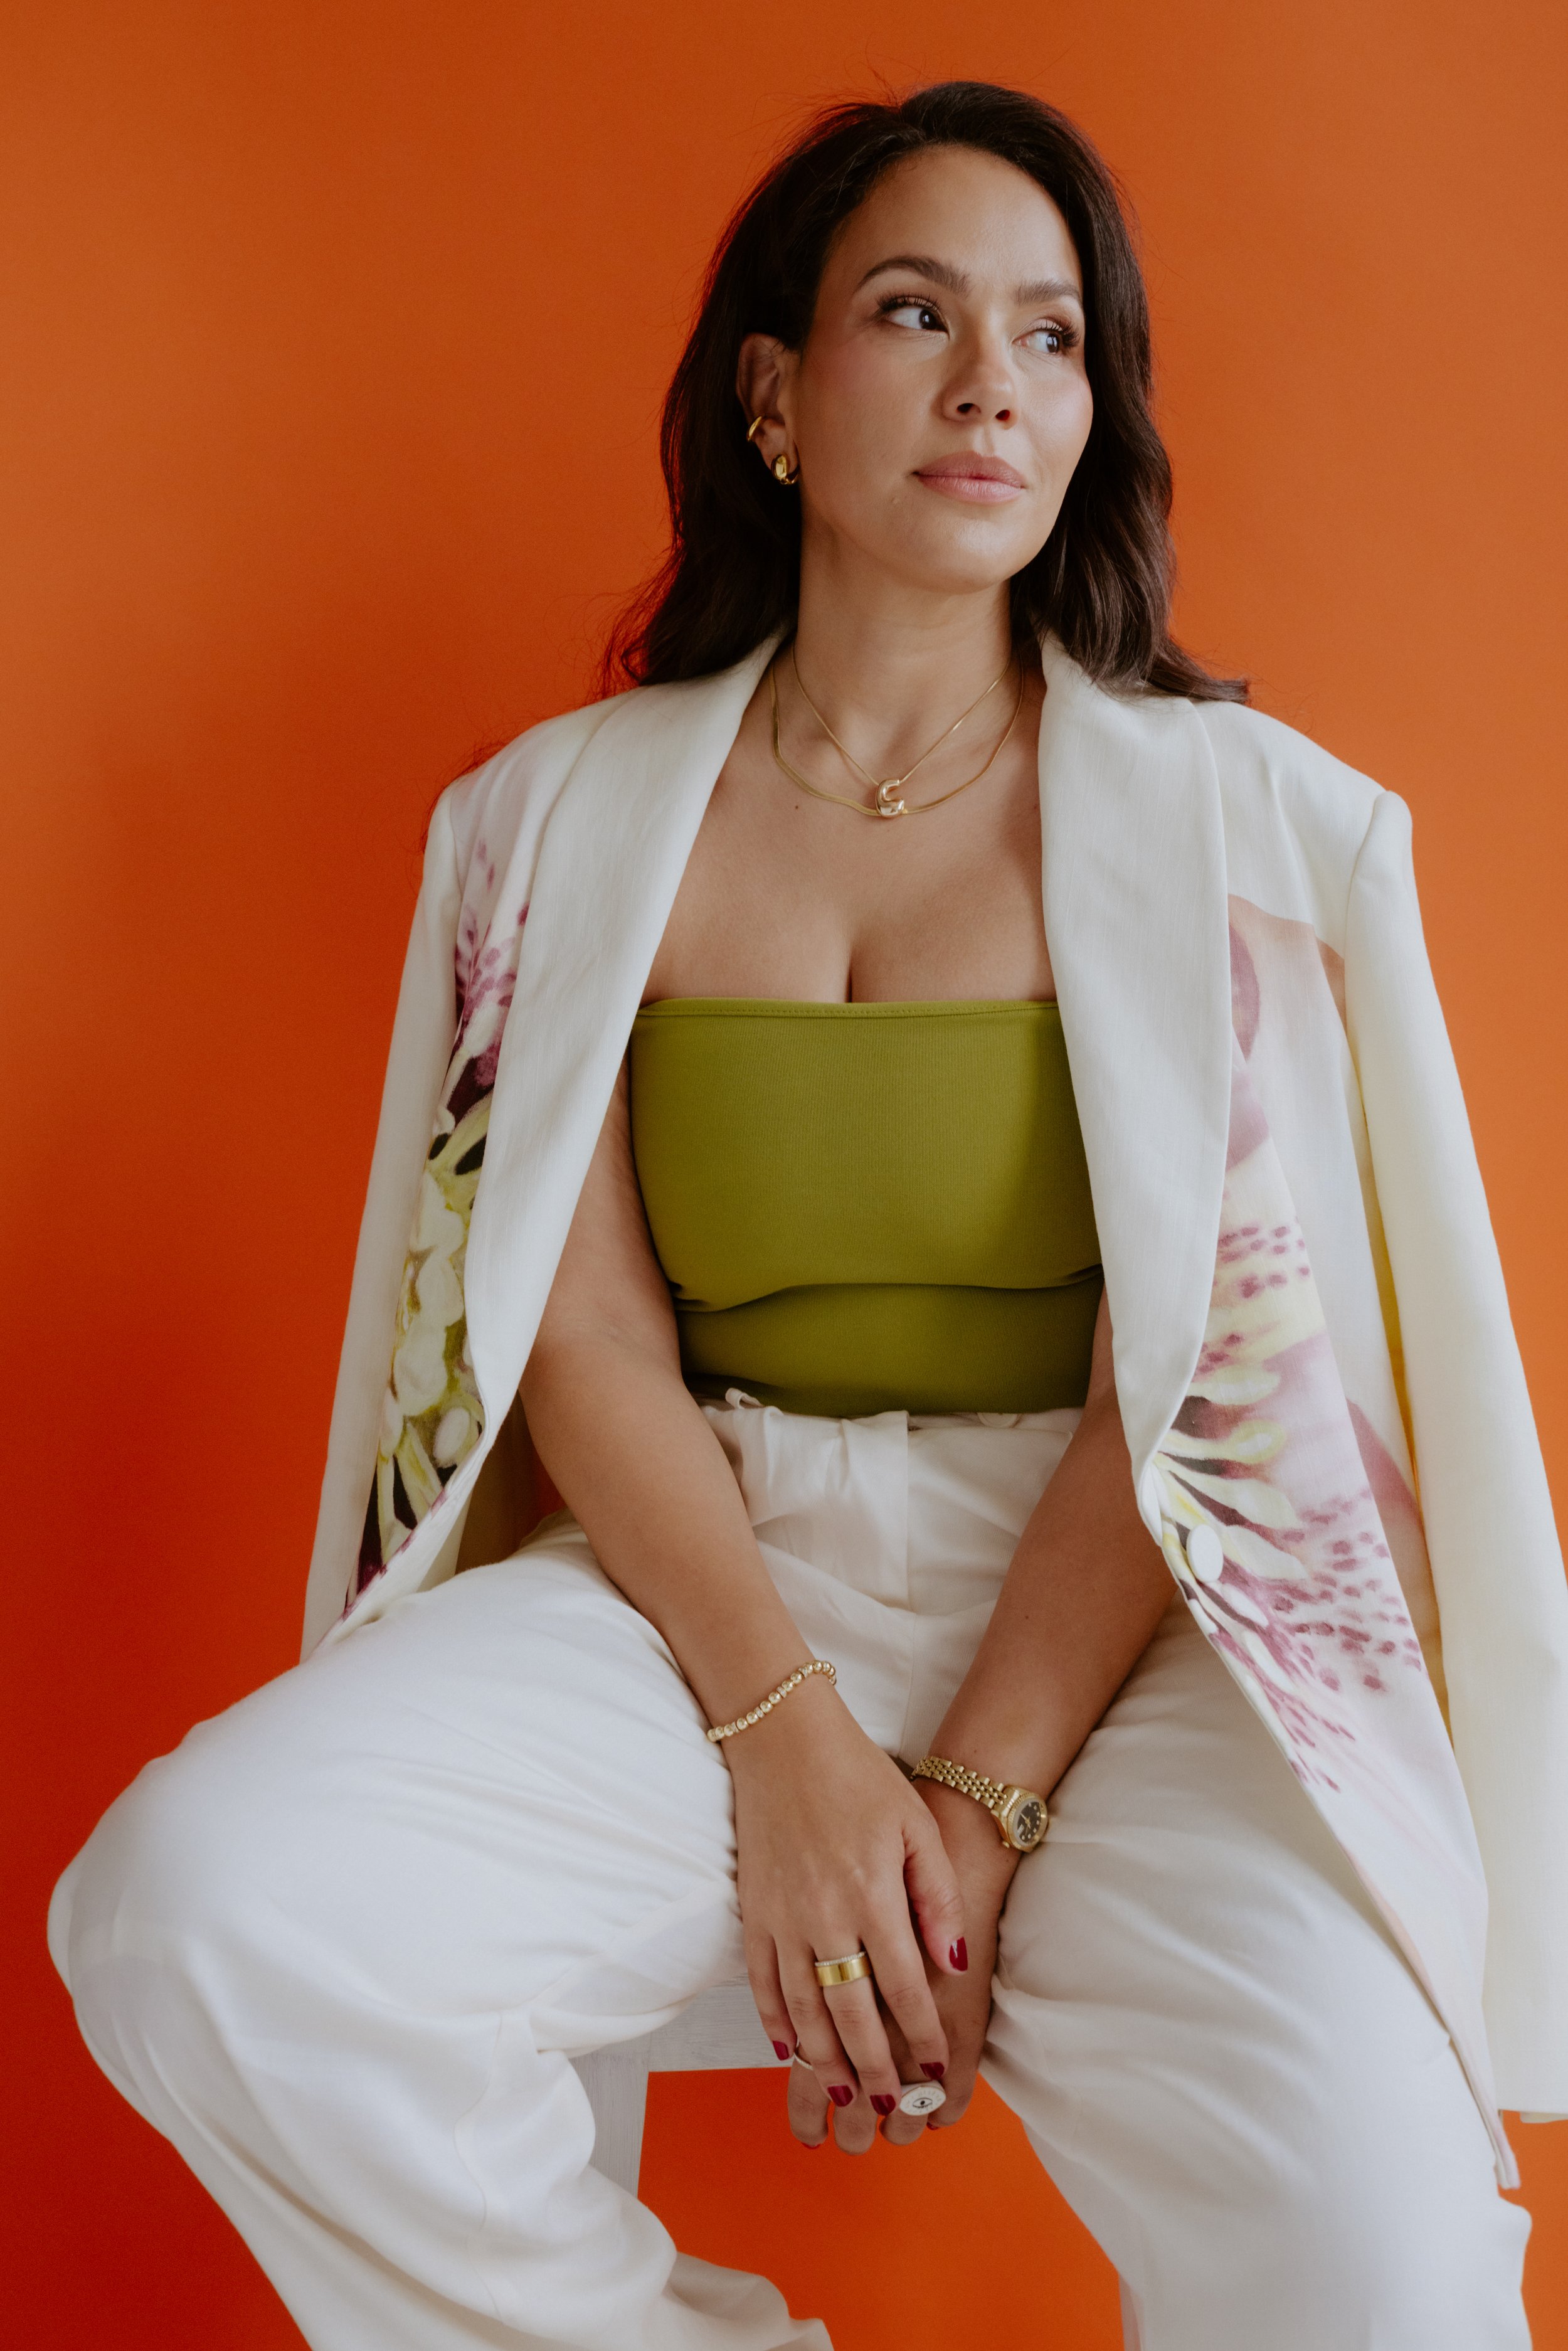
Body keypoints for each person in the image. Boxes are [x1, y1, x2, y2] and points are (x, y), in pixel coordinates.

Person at [49, 78, 1568, 2351]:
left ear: (1093, 409)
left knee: (1383, 2254)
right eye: (914, 310)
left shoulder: (1255, 828)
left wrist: (957, 1803)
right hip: (702, 1590)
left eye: (1054, 336)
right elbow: (570, 1340)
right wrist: (789, 1749)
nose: (993, 383)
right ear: (770, 394)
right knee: (189, 1908)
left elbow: (1206, 1393)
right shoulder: (547, 829)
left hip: (1122, 1636)